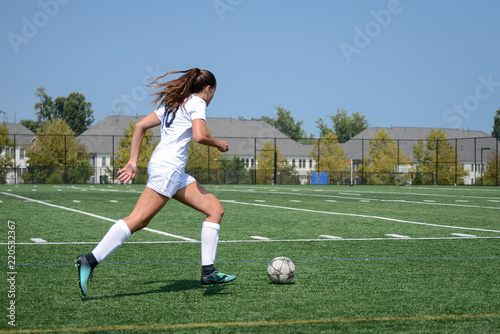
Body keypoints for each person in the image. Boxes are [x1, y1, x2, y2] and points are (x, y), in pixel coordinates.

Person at [76, 68, 236, 297]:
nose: (211, 98)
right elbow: (200, 136)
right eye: (213, 93)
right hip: (168, 170)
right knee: (139, 220)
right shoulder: (197, 102)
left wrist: (133, 161)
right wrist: (218, 143)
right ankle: (90, 260)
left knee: (215, 209)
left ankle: (208, 272)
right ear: (208, 89)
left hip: (170, 170)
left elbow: (140, 125)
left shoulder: (176, 103)